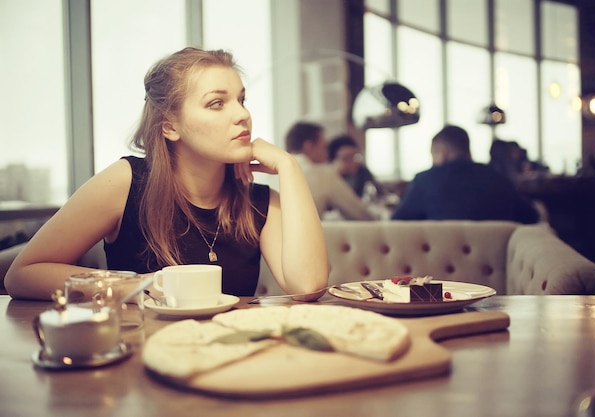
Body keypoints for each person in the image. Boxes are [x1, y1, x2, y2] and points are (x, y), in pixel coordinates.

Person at [5, 47, 329, 300]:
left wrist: (290, 167)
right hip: (135, 367)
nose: (242, 114)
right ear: (170, 126)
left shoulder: (258, 201)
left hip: (228, 364)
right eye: (217, 103)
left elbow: (308, 284)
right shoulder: (126, 182)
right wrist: (139, 287)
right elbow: (23, 274)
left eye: (242, 100)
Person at [392, 125, 539, 223]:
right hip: (498, 265)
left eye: (433, 155)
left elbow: (397, 223)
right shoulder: (498, 176)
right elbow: (531, 216)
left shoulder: (424, 181)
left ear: (442, 153)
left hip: (437, 265)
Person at [285, 122, 375, 220]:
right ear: (308, 146)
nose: (327, 154)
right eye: (324, 147)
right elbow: (361, 214)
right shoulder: (322, 173)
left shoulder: (271, 171)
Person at [327, 134, 384, 199]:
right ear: (333, 160)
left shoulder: (363, 173)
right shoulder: (328, 178)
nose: (353, 162)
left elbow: (379, 194)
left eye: (355, 156)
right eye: (347, 158)